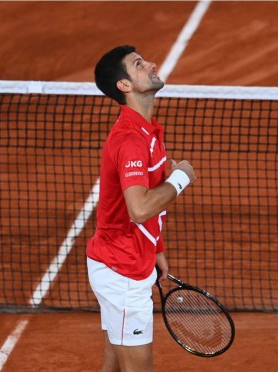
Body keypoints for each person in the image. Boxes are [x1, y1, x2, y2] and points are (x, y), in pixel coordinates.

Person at [86, 45, 197, 372]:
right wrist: (180, 180)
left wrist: (156, 248)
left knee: (115, 368)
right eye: (138, 64)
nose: (151, 64)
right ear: (125, 85)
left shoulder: (149, 132)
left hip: (127, 260)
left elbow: (146, 205)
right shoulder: (131, 140)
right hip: (122, 272)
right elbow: (139, 208)